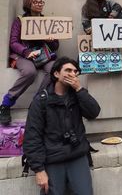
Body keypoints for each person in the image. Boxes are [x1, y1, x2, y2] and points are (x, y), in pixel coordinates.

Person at [23, 57, 101, 195]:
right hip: (53, 158)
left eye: (75, 71)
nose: (72, 73)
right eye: (68, 70)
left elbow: (93, 112)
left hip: (77, 155)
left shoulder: (78, 94)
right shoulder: (41, 101)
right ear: (56, 74)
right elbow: (32, 137)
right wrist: (39, 170)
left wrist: (79, 89)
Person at [0, 0, 59, 125]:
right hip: (24, 55)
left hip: (43, 56)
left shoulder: (47, 21)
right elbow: (13, 42)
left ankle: (37, 103)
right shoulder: (20, 21)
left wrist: (50, 40)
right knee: (29, 72)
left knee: (55, 70)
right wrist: (26, 52)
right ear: (28, 5)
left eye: (41, 2)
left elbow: (55, 46)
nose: (39, 4)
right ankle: (7, 103)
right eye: (35, 2)